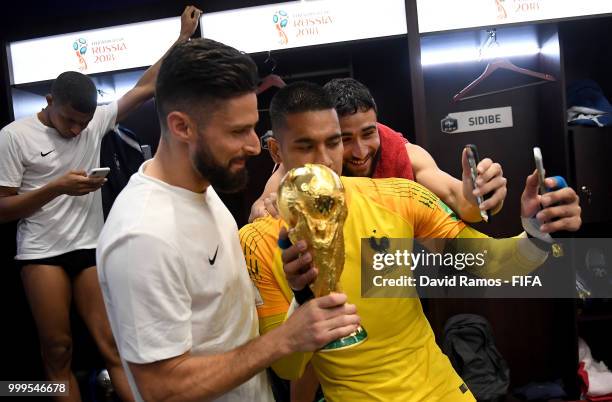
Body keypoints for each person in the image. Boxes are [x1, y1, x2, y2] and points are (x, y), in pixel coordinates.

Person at [239, 82, 582, 402]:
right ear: (276, 150)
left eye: (332, 143)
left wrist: (536, 233)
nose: (325, 161)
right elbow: (288, 368)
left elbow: (492, 263)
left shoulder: (398, 197)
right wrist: (302, 299)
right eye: (305, 146)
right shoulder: (259, 239)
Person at [96, 39, 361, 402]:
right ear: (182, 127)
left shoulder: (200, 187)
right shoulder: (143, 235)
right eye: (238, 132)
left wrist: (298, 293)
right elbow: (161, 388)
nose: (254, 146)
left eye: (253, 127)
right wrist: (285, 339)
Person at [0, 6, 202, 401]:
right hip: (42, 254)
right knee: (58, 349)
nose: (77, 130)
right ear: (48, 101)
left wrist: (181, 40)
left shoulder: (92, 123)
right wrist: (56, 188)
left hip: (90, 247)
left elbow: (146, 86)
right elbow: (2, 208)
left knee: (113, 344)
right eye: (69, 121)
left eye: (84, 122)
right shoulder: (14, 136)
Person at [249, 77, 507, 224]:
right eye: (344, 139)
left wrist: (480, 197)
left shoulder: (405, 154)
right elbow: (260, 212)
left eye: (369, 133)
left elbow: (460, 200)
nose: (360, 151)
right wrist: (266, 207)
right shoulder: (306, 166)